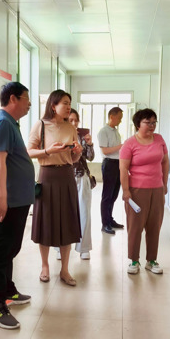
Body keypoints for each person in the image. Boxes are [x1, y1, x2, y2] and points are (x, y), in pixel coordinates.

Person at [0, 82, 35, 329]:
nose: (29, 103)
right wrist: (2, 198)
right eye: (27, 98)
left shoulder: (10, 123)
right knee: (1, 253)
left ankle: (8, 290)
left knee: (10, 248)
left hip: (18, 200)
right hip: (9, 201)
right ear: (13, 99)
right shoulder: (3, 123)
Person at [27, 90, 82, 286]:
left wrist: (77, 152)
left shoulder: (70, 127)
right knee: (46, 222)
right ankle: (45, 266)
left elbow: (73, 158)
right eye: (64, 103)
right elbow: (29, 151)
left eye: (69, 103)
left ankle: (65, 269)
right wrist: (48, 151)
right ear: (53, 105)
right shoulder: (41, 125)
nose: (68, 107)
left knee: (67, 222)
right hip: (47, 176)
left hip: (67, 175)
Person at [119, 108, 169, 275]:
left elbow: (165, 162)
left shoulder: (159, 139)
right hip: (137, 191)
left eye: (154, 122)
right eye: (148, 122)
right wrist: (126, 190)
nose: (152, 125)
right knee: (135, 227)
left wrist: (164, 183)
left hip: (157, 189)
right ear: (138, 124)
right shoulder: (129, 144)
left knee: (155, 226)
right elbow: (123, 169)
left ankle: (151, 260)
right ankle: (134, 260)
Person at [68, 108, 95, 259]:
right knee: (64, 213)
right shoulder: (59, 134)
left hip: (81, 176)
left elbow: (90, 157)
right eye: (70, 120)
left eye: (76, 120)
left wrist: (89, 144)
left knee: (84, 212)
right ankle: (61, 247)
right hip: (64, 177)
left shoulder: (82, 136)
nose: (74, 123)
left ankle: (84, 247)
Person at [97, 107, 125, 234]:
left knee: (114, 194)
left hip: (118, 164)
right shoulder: (103, 132)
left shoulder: (116, 131)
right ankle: (105, 224)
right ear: (112, 116)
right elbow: (105, 151)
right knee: (107, 195)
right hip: (109, 164)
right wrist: (121, 146)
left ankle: (110, 219)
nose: (120, 121)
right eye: (119, 118)